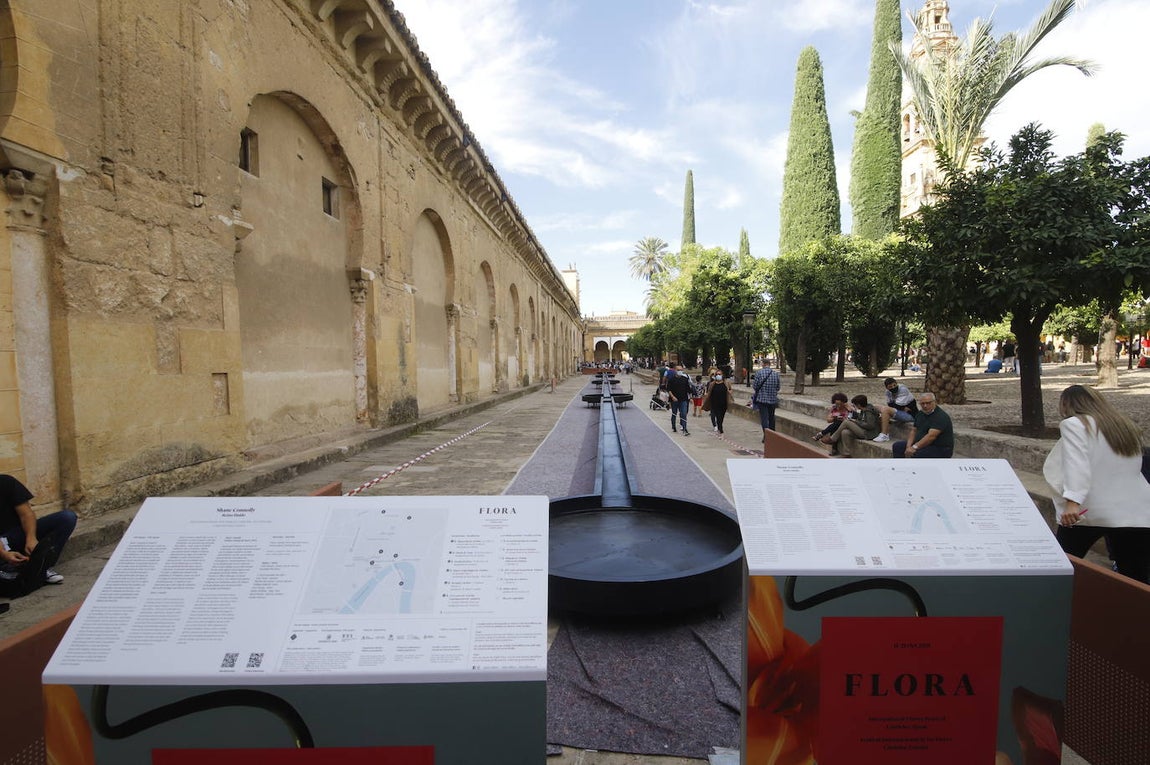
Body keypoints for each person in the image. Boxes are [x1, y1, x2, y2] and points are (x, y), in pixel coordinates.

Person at [1042, 385, 1150, 583]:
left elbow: (1077, 464)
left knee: (1062, 568)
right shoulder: (1125, 426)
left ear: (1066, 404)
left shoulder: (1074, 424)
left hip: (1088, 511)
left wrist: (1073, 501)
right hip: (1137, 511)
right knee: (1136, 579)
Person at [1, 474, 77, 589]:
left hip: (15, 536)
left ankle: (42, 567)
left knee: (67, 518)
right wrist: (3, 553)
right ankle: (14, 570)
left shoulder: (6, 482)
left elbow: (26, 514)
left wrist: (31, 538)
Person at [891, 392, 954, 459]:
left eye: (928, 403)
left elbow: (931, 437)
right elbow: (913, 431)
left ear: (935, 402)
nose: (925, 406)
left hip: (940, 448)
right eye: (922, 403)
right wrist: (908, 446)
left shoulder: (940, 417)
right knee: (897, 446)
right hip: (922, 444)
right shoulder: (920, 414)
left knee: (916, 454)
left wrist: (914, 447)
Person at [872, 377, 917, 443]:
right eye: (890, 387)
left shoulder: (903, 389)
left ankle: (884, 434)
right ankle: (874, 428)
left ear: (896, 384)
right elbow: (891, 405)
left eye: (894, 385)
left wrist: (898, 406)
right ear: (887, 388)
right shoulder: (888, 392)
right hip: (901, 411)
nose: (893, 387)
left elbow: (897, 405)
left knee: (885, 410)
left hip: (910, 415)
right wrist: (902, 407)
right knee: (876, 407)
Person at [751, 364, 781, 432]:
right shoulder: (775, 374)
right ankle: (773, 434)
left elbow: (755, 386)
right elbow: (778, 387)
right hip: (773, 399)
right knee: (771, 418)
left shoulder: (759, 373)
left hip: (762, 399)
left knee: (764, 418)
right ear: (769, 364)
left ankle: (766, 435)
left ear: (763, 364)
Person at [666, 364, 692, 436]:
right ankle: (673, 426)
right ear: (675, 370)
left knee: (683, 413)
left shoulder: (685, 379)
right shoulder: (671, 379)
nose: (680, 371)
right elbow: (669, 389)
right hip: (674, 400)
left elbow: (688, 389)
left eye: (681, 370)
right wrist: (672, 397)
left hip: (683, 399)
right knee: (674, 413)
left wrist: (691, 397)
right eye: (678, 370)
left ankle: (684, 428)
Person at [704, 369, 732, 434]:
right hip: (714, 403)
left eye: (720, 374)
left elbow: (730, 389)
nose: (718, 376)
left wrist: (730, 393)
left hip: (723, 403)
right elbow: (709, 392)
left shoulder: (726, 383)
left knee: (721, 416)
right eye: (717, 374)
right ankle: (720, 429)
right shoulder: (712, 384)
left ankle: (719, 426)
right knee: (717, 416)